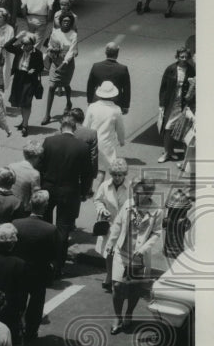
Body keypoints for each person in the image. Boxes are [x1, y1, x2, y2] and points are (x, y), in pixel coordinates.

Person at [105, 179, 164, 334]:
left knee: (135, 288)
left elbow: (157, 233)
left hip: (139, 257)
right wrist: (111, 243)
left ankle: (129, 313)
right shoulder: (128, 204)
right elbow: (118, 224)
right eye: (135, 193)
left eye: (139, 194)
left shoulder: (157, 211)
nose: (135, 196)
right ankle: (118, 317)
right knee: (117, 286)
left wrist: (144, 249)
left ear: (149, 194)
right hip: (122, 252)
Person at [39, 117, 94, 277]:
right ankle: (58, 266)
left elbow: (41, 166)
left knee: (46, 224)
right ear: (74, 127)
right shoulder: (83, 147)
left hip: (48, 188)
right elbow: (87, 174)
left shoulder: (48, 141)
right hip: (70, 191)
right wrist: (84, 192)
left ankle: (45, 259)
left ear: (61, 126)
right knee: (63, 228)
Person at [12, 191, 59, 344]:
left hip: (19, 270)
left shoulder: (16, 224)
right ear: (45, 208)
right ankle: (31, 333)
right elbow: (55, 253)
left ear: (30, 204)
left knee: (18, 301)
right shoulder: (50, 229)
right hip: (39, 272)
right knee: (36, 304)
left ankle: (15, 328)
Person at [93, 160, 130, 292]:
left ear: (124, 175)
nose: (117, 178)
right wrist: (102, 210)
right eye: (115, 175)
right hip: (110, 224)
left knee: (122, 253)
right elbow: (97, 200)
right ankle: (109, 275)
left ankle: (119, 278)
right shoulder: (104, 185)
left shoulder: (130, 187)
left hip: (125, 226)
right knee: (109, 253)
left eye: (120, 175)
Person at [157, 47, 196, 162]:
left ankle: (184, 156)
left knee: (183, 129)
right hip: (172, 103)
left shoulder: (190, 69)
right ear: (177, 57)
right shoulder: (171, 69)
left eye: (185, 57)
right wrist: (162, 104)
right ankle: (167, 152)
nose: (183, 59)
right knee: (168, 127)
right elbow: (163, 87)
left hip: (185, 103)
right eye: (181, 57)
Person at [3, 31, 44, 136]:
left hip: (29, 80)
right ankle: (24, 121)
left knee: (26, 102)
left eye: (26, 44)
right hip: (18, 77)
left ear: (32, 45)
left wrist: (34, 70)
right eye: (22, 43)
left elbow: (41, 67)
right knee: (20, 102)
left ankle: (25, 125)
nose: (23, 46)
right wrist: (18, 36)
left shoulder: (37, 54)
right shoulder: (19, 49)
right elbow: (7, 46)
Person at [85, 81, 127, 178]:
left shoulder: (92, 107)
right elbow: (120, 128)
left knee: (91, 167)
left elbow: (86, 125)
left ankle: (89, 189)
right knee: (102, 169)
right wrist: (121, 140)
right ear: (113, 96)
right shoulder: (116, 109)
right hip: (107, 143)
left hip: (91, 141)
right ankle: (99, 190)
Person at [42, 11, 78, 122]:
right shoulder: (55, 33)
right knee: (52, 86)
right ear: (60, 22)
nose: (66, 23)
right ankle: (47, 115)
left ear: (71, 23)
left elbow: (71, 51)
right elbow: (49, 46)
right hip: (55, 61)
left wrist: (64, 63)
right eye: (64, 21)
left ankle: (68, 102)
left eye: (68, 21)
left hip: (67, 63)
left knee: (65, 84)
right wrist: (52, 50)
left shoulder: (73, 34)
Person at [86, 42, 131, 114]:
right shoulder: (123, 69)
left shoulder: (96, 66)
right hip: (116, 103)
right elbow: (126, 89)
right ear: (117, 53)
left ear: (105, 52)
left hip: (98, 100)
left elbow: (90, 86)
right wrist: (126, 106)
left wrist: (90, 101)